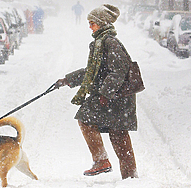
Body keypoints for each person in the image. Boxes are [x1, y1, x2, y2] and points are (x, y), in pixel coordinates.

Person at [56, 4, 138, 180]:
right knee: (119, 136)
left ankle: (102, 161)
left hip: (117, 97)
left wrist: (105, 93)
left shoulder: (110, 42)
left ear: (102, 23)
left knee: (86, 119)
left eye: (92, 23)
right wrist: (68, 80)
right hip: (116, 97)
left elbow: (119, 70)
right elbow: (93, 71)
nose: (90, 26)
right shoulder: (101, 43)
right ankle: (130, 178)